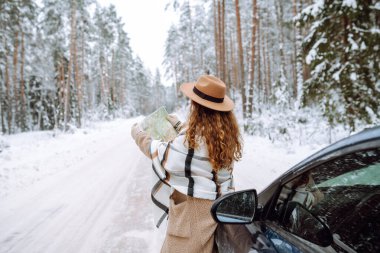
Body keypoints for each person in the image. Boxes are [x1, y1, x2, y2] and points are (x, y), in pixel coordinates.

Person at [131, 75, 243, 253]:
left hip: (193, 218)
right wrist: (179, 125)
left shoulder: (190, 144)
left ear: (198, 109)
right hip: (218, 213)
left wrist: (138, 133)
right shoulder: (224, 139)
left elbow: (158, 151)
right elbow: (198, 138)